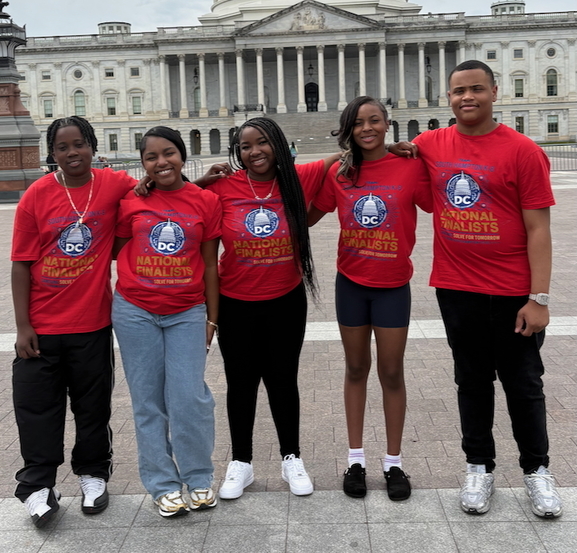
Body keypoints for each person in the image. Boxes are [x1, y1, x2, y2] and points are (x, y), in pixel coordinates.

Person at [411, 60, 563, 518]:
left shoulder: (523, 151)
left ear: (495, 92)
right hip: (457, 289)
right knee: (471, 382)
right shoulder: (429, 144)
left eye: (476, 89)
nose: (467, 98)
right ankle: (478, 465)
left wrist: (539, 299)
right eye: (458, 91)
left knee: (524, 385)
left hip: (514, 292)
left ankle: (537, 471)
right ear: (449, 98)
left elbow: (539, 230)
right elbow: (387, 165)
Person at [11, 116, 137, 527]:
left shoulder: (112, 184)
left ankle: (93, 473)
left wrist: (206, 183)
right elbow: (20, 265)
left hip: (91, 323)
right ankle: (39, 486)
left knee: (92, 406)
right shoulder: (36, 195)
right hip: (43, 327)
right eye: (63, 147)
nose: (72, 153)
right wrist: (23, 325)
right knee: (36, 409)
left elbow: (160, 188)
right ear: (52, 154)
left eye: (79, 144)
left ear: (93, 147)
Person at [204, 117, 339, 499]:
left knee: (283, 381)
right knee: (240, 383)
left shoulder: (297, 179)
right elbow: (180, 198)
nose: (254, 152)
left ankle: (291, 457)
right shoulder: (223, 187)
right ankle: (241, 463)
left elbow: (340, 158)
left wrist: (397, 148)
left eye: (261, 142)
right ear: (238, 152)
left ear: (277, 143)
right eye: (246, 146)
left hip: (285, 300)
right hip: (235, 302)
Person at [309, 97, 433, 500]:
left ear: (387, 123)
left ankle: (394, 463)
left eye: (375, 120)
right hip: (352, 283)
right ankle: (356, 460)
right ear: (348, 129)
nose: (367, 128)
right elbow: (308, 214)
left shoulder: (410, 166)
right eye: (358, 122)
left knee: (392, 372)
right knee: (357, 368)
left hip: (393, 285)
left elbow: (442, 197)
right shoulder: (339, 173)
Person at [112, 127, 221, 518]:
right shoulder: (130, 200)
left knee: (189, 396)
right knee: (148, 401)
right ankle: (162, 484)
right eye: (151, 157)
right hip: (134, 310)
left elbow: (210, 263)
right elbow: (119, 249)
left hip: (187, 312)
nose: (161, 162)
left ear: (182, 154)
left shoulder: (205, 201)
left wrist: (212, 317)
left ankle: (198, 475)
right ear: (142, 164)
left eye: (169, 153)